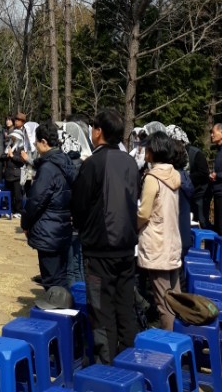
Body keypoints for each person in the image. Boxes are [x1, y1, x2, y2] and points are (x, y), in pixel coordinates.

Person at [72, 107, 140, 364]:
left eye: (93, 127)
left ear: (98, 131)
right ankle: (130, 360)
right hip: (127, 247)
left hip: (100, 249)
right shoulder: (130, 162)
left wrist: (84, 231)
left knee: (101, 311)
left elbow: (79, 205)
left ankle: (107, 367)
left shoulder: (93, 163)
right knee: (125, 308)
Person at [21, 120, 77, 290]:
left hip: (48, 229)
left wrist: (25, 223)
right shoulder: (66, 161)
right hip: (63, 226)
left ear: (44, 142)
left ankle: (56, 304)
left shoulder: (48, 168)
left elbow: (36, 200)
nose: (35, 146)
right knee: (61, 276)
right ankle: (62, 302)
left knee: (51, 279)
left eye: (36, 142)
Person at [137, 131, 183, 331]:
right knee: (176, 297)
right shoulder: (174, 175)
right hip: (172, 240)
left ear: (153, 151)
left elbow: (144, 212)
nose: (145, 152)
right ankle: (181, 338)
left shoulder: (152, 177)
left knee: (164, 303)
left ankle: (169, 341)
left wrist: (133, 226)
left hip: (156, 243)